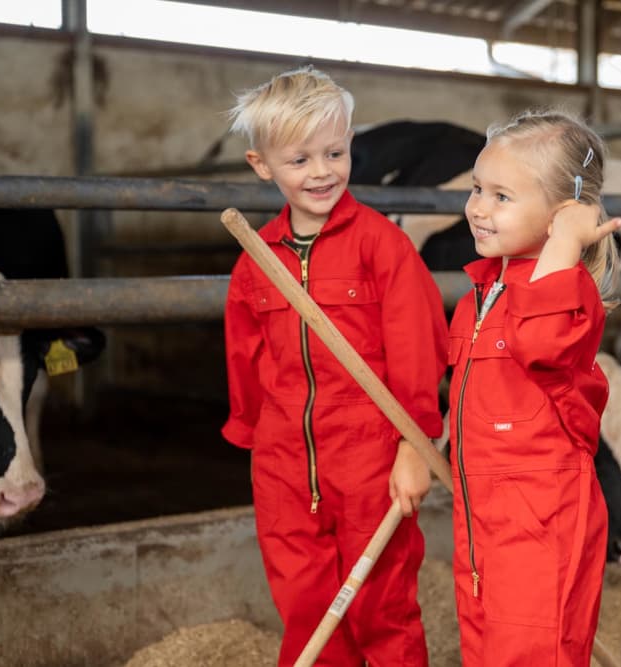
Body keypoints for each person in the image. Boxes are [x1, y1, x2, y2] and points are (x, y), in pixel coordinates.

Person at [221, 66, 448, 666]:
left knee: (383, 606)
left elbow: (418, 346)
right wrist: (253, 434)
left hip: (371, 454)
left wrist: (414, 445)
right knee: (305, 604)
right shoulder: (255, 261)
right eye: (299, 160)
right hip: (284, 463)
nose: (321, 171)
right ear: (261, 165)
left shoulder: (382, 246)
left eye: (335, 152)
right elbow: (244, 354)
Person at [446, 109, 621, 666]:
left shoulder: (564, 298)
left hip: (539, 523)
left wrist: (565, 246)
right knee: (484, 650)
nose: (477, 207)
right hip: (481, 520)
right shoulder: (482, 292)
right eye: (478, 188)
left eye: (502, 196)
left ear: (561, 216)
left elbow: (541, 344)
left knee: (530, 654)